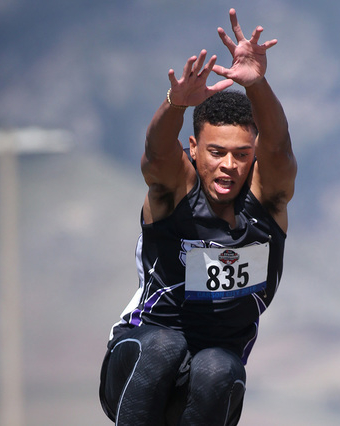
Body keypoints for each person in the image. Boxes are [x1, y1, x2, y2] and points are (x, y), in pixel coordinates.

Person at [99, 8, 297, 425]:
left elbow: (279, 153)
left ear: (254, 155)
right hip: (139, 364)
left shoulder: (268, 202)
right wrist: (175, 104)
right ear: (193, 147)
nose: (229, 165)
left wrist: (257, 83)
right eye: (216, 152)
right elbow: (156, 154)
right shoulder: (175, 190)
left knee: (218, 367)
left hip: (210, 387)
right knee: (165, 348)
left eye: (242, 155)